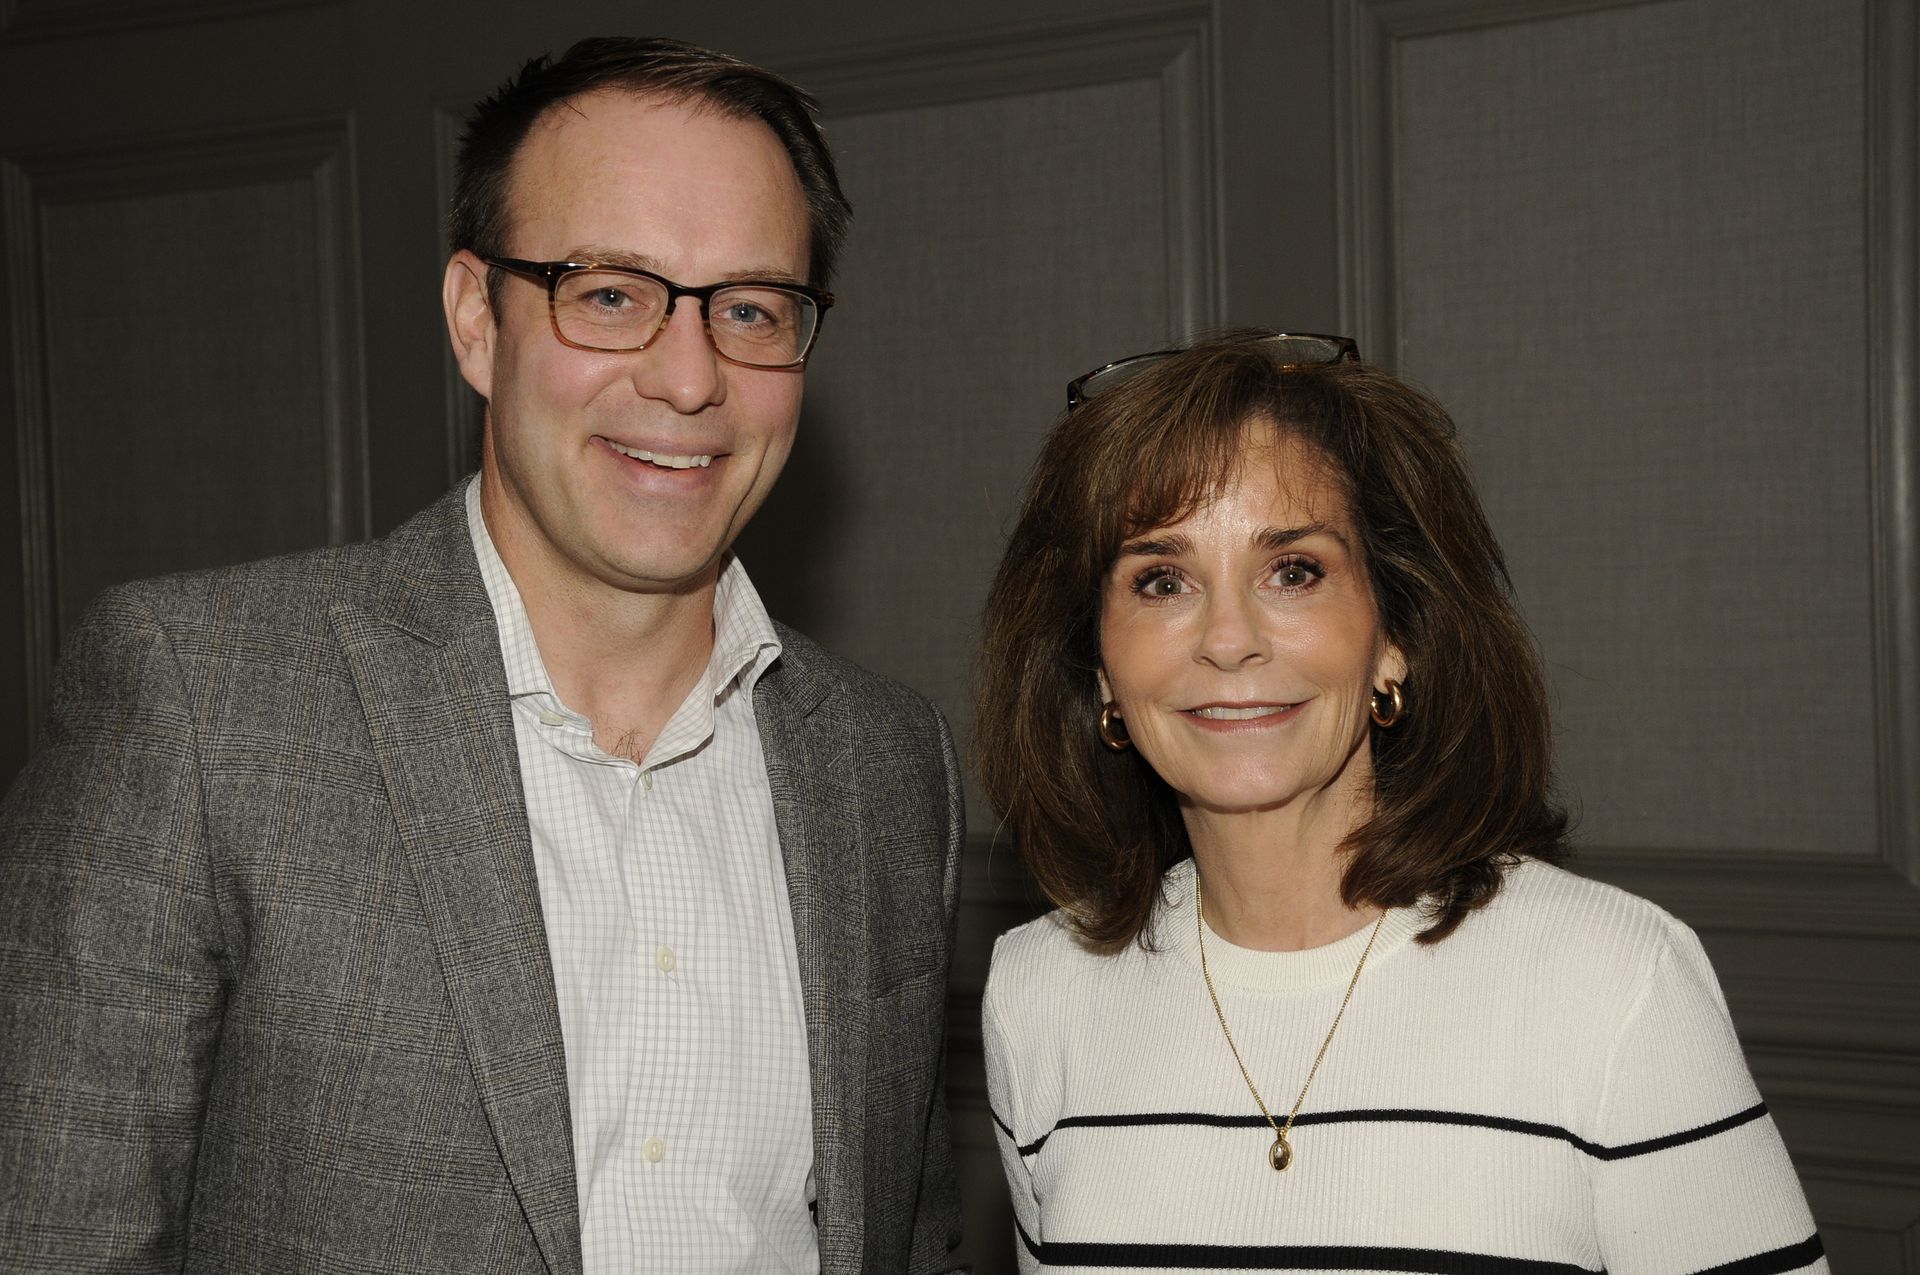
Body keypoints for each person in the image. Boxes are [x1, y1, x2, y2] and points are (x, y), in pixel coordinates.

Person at [0, 37, 964, 1274]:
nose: (688, 376)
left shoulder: (891, 767)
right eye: (610, 292)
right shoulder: (200, 702)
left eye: (750, 309)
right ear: (476, 320)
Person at [974, 331, 1825, 1273]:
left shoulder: (1616, 984)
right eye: (1161, 579)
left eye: (1293, 570)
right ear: (1100, 669)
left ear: (1395, 636)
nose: (1228, 638)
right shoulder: (1038, 993)